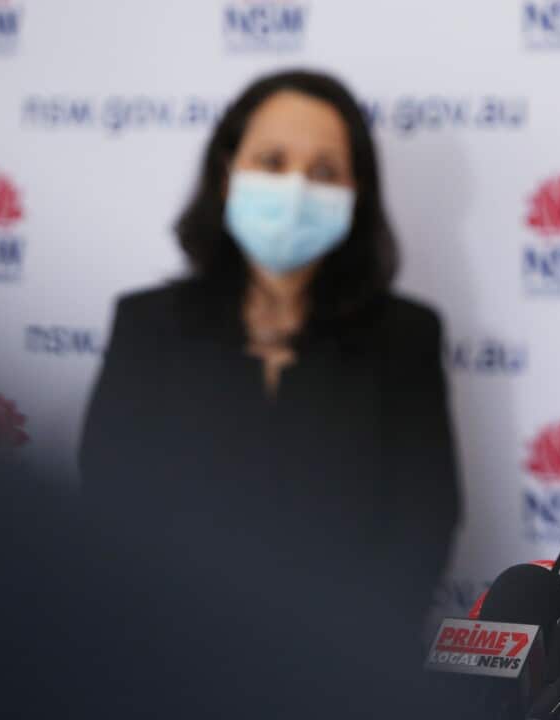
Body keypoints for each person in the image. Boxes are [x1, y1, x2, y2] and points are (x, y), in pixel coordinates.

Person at [78, 70, 460, 639]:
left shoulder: (406, 336)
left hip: (345, 673)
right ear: (228, 172)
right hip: (165, 664)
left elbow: (424, 524)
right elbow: (113, 505)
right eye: (272, 161)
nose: (296, 188)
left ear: (357, 194)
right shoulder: (148, 324)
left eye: (325, 171)